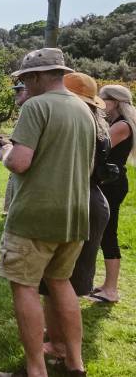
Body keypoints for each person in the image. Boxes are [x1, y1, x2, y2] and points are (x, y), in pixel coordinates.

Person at [0, 48, 94, 377]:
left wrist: (6, 151)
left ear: (37, 77)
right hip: (76, 213)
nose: (22, 84)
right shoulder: (84, 109)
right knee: (61, 282)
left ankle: (36, 370)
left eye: (24, 79)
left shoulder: (36, 106)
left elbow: (20, 162)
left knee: (24, 287)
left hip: (35, 214)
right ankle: (75, 362)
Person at [38, 72, 111, 364]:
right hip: (91, 202)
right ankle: (59, 344)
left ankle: (63, 348)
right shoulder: (98, 127)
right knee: (60, 281)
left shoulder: (74, 126)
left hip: (75, 201)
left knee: (58, 281)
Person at [89, 84, 136, 304]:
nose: (99, 102)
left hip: (112, 185)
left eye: (102, 99)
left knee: (108, 235)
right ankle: (107, 285)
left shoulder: (122, 126)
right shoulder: (116, 123)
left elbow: (99, 148)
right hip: (109, 182)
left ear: (115, 101)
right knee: (103, 234)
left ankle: (111, 290)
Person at [3, 82, 30, 216]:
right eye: (16, 91)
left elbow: (18, 161)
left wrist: (5, 150)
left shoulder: (31, 110)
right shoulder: (25, 110)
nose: (16, 94)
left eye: (20, 91)